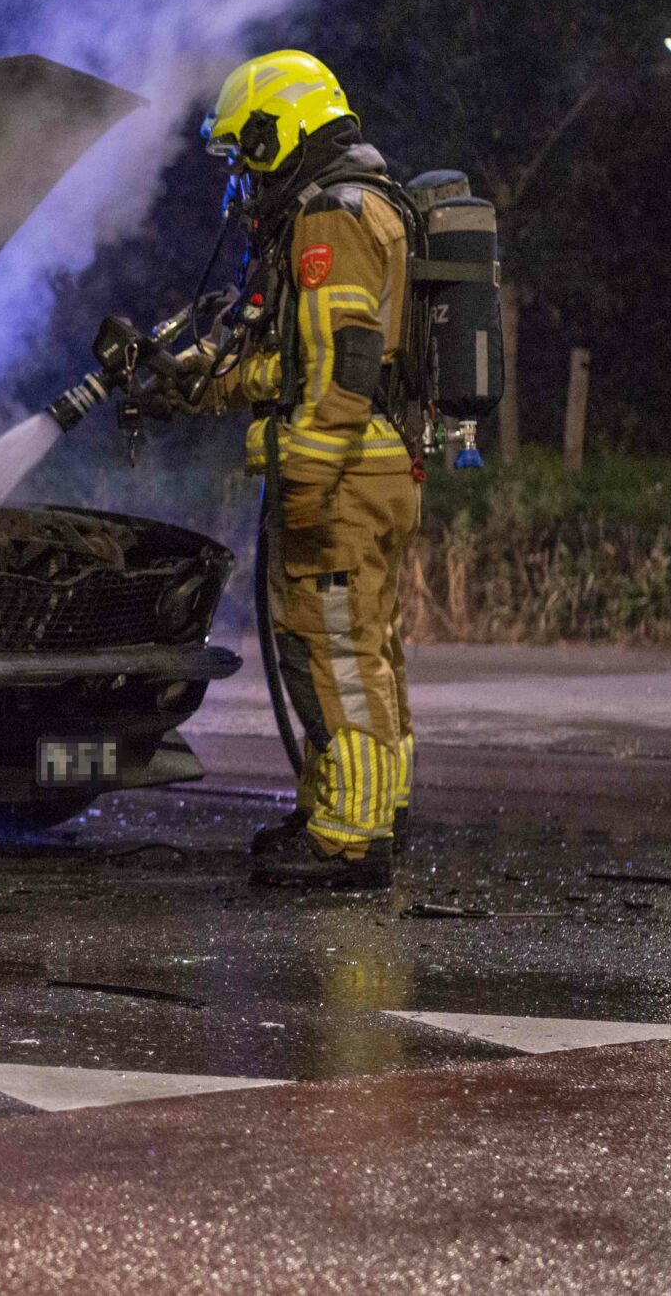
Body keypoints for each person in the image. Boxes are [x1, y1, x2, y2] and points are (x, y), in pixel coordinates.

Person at [183, 51, 420, 891]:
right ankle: (359, 810)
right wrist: (207, 377)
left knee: (334, 653)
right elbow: (298, 360)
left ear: (275, 130)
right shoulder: (366, 204)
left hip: (343, 477)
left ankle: (349, 838)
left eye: (245, 151)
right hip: (379, 468)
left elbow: (341, 367)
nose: (242, 177)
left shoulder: (330, 218)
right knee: (368, 650)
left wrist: (309, 485)